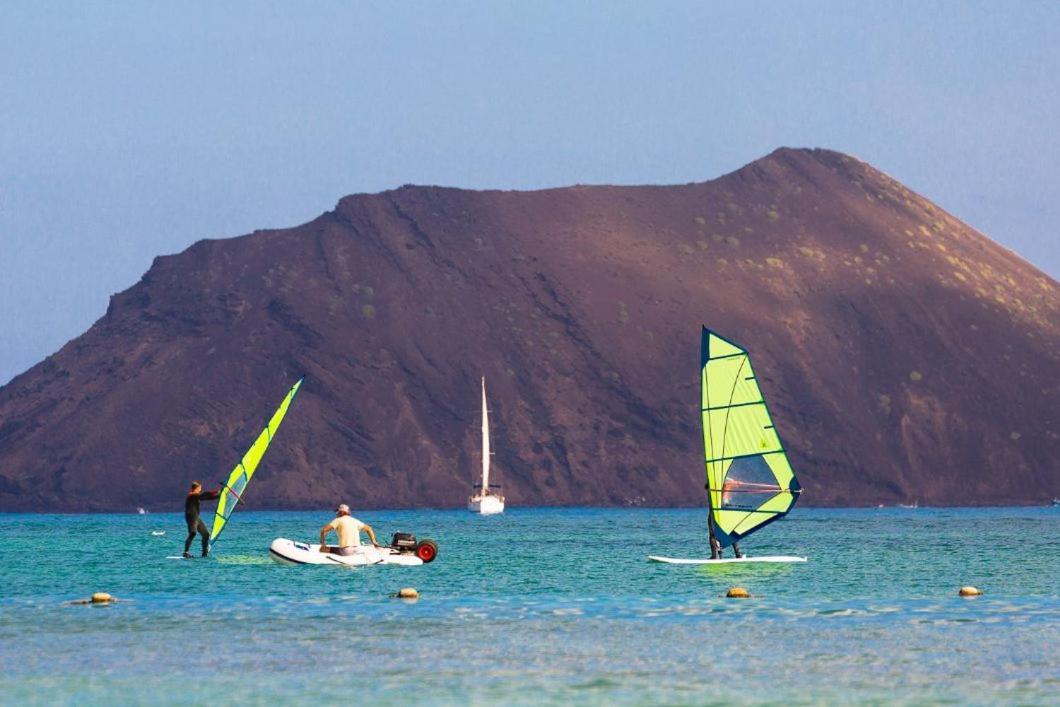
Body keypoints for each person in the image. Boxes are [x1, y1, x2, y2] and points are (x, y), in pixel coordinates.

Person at [184, 481, 221, 558]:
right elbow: (204, 494)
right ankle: (186, 552)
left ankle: (204, 553)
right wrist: (218, 492)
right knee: (193, 533)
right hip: (191, 517)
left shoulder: (196, 496)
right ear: (197, 488)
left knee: (206, 534)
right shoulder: (192, 495)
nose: (201, 489)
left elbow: (206, 497)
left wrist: (219, 495)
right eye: (200, 488)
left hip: (196, 517)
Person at [706, 482, 743, 559]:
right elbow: (707, 486)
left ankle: (715, 556)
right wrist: (736, 483)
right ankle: (738, 555)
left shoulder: (723, 482)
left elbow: (707, 486)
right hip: (718, 508)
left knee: (715, 533)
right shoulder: (720, 482)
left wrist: (736, 483)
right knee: (728, 532)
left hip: (720, 507)